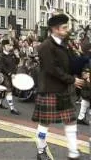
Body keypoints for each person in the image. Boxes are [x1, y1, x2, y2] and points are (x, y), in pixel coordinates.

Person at [32, 14, 85, 160]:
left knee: (71, 120)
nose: (67, 30)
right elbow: (52, 69)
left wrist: (81, 63)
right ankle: (41, 150)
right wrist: (72, 80)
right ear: (55, 29)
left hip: (63, 89)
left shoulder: (65, 43)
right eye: (65, 28)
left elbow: (69, 64)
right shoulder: (45, 46)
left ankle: (73, 152)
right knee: (45, 122)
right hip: (49, 89)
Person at [0, 38, 21, 115]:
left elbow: (16, 63)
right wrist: (10, 73)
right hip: (4, 76)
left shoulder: (11, 54)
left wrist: (17, 56)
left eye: (9, 45)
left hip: (12, 75)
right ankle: (12, 108)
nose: (9, 46)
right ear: (3, 47)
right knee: (9, 91)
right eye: (7, 45)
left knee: (5, 91)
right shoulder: (1, 56)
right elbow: (1, 67)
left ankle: (0, 103)